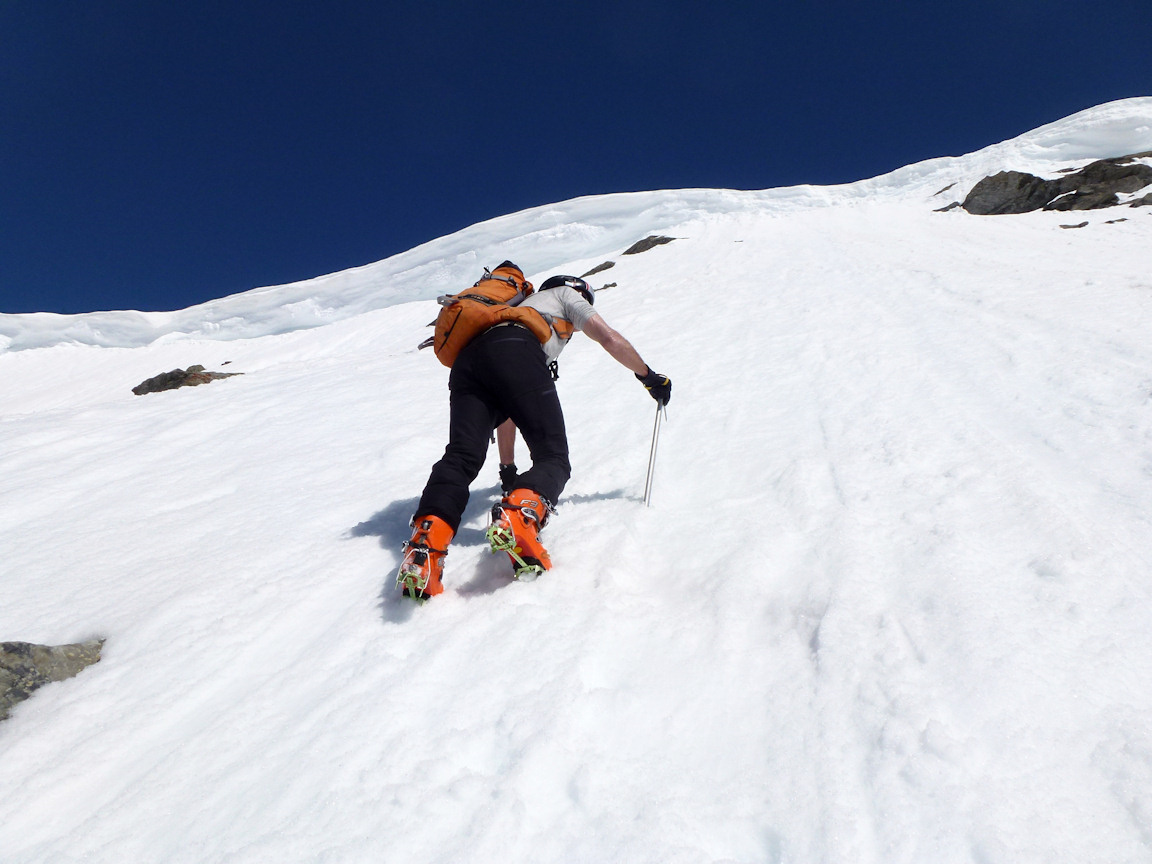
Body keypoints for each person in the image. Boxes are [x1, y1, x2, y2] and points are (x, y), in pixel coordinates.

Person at [397, 264, 671, 599]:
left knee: (462, 455)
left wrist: (508, 471)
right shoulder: (566, 295)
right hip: (515, 349)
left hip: (467, 365)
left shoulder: (510, 309)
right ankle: (519, 517)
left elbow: (507, 413)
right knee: (553, 456)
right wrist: (649, 377)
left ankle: (426, 544)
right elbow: (608, 337)